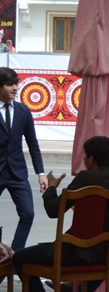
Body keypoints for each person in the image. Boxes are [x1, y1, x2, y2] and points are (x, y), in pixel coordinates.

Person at [13, 137, 109, 292]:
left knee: (19, 258)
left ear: (91, 159)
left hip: (70, 253)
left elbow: (53, 210)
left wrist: (51, 188)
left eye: (85, 156)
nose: (84, 159)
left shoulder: (84, 179)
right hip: (105, 257)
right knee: (105, 255)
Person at [0, 67, 46, 256]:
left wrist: (41, 173)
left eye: (16, 84)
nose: (15, 88)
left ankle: (15, 255)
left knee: (28, 214)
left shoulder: (23, 111)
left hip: (17, 173)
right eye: (9, 84)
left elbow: (33, 144)